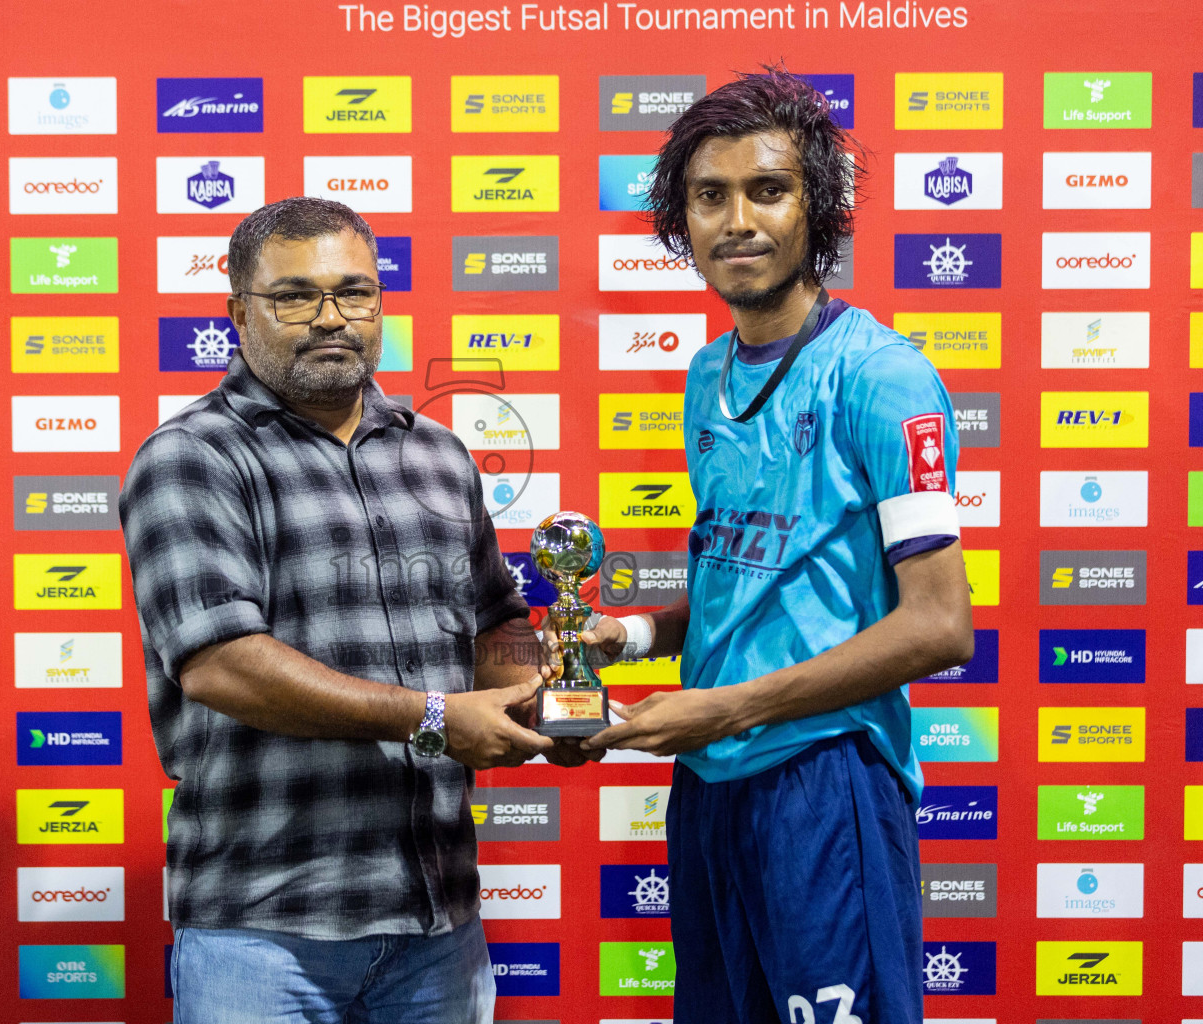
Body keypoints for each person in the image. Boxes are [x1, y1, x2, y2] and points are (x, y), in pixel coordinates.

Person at [577, 69, 976, 1023]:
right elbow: (749, 575)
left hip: (824, 774)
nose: (737, 221)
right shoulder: (707, 372)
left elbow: (939, 626)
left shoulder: (883, 377)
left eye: (768, 189)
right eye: (710, 196)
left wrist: (725, 710)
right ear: (682, 219)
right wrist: (631, 639)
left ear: (818, 207)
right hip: (712, 786)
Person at [120, 196, 563, 1024]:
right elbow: (222, 664)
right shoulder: (190, 457)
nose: (331, 317)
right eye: (295, 296)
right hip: (265, 931)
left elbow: (496, 619)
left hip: (438, 924)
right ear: (239, 314)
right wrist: (437, 718)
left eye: (354, 292)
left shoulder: (437, 455)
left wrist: (539, 697)